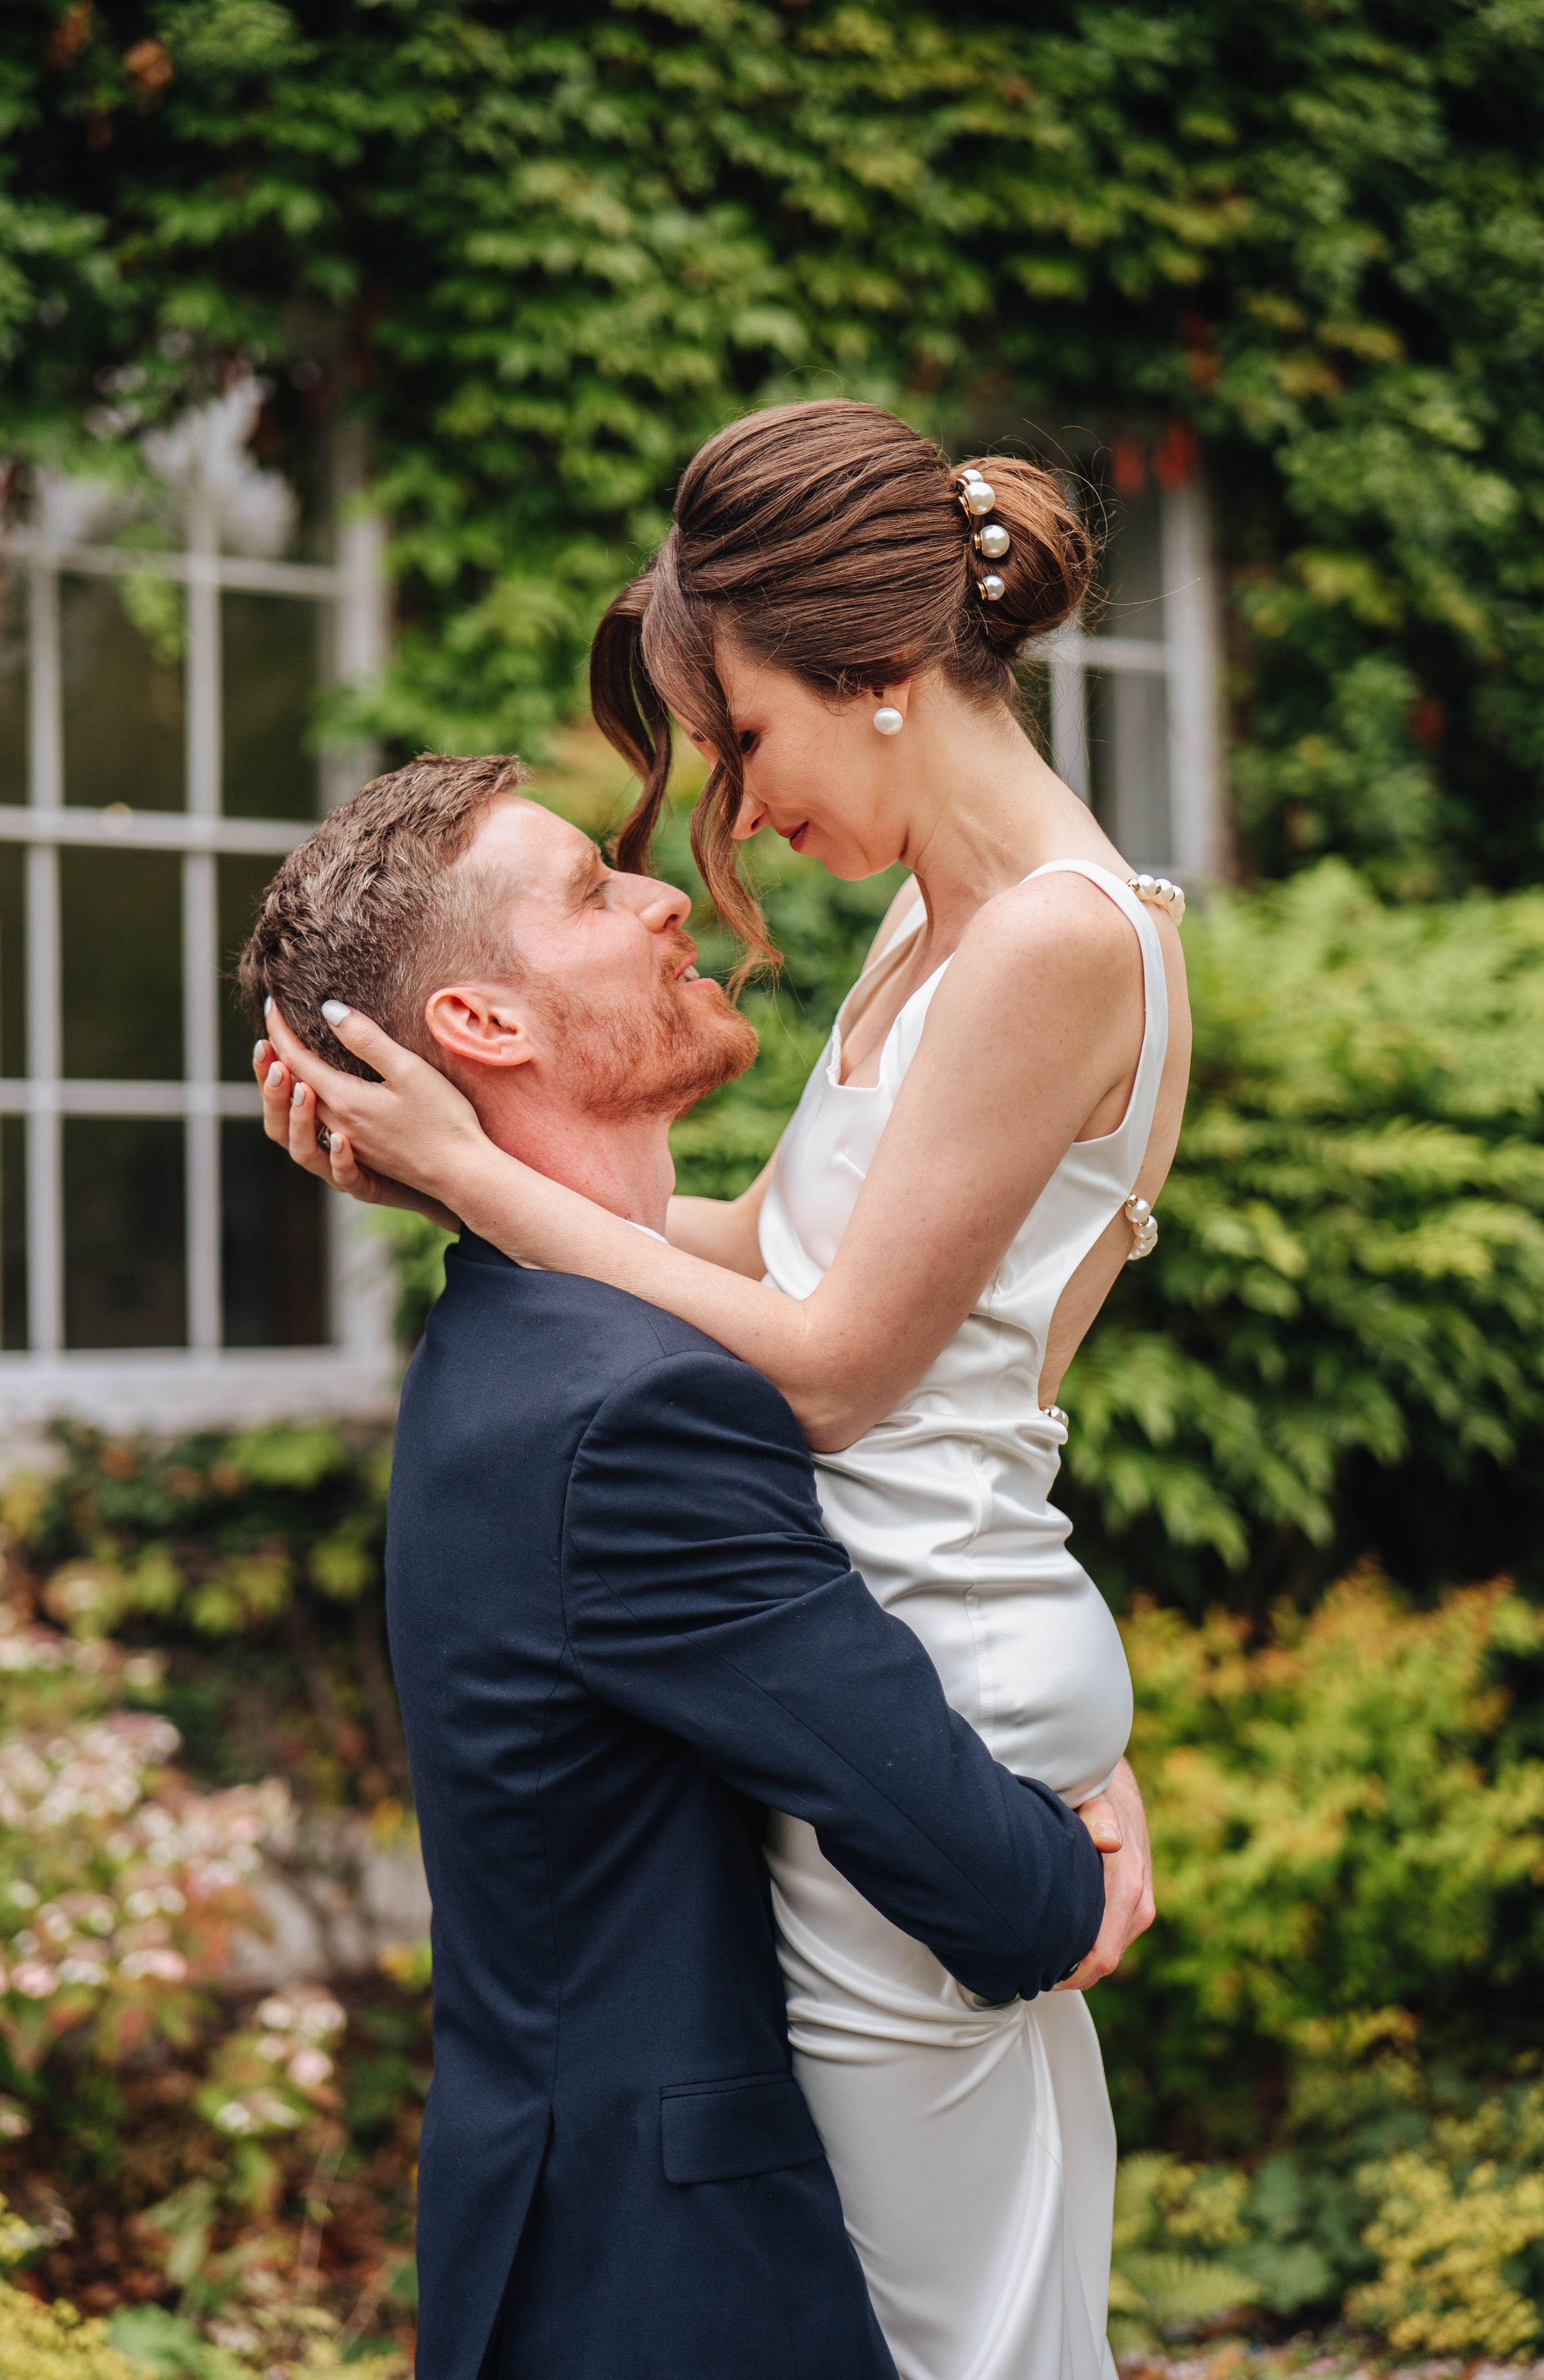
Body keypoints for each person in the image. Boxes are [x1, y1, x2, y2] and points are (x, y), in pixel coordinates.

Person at [258, 398, 1186, 2380]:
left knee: (966, 2349)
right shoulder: (939, 939)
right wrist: (411, 1152)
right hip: (917, 1646)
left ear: (871, 681)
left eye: (743, 736)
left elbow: (841, 1369)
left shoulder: (1050, 941)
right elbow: (767, 1243)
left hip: (928, 1621)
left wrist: (477, 1169)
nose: (732, 824)